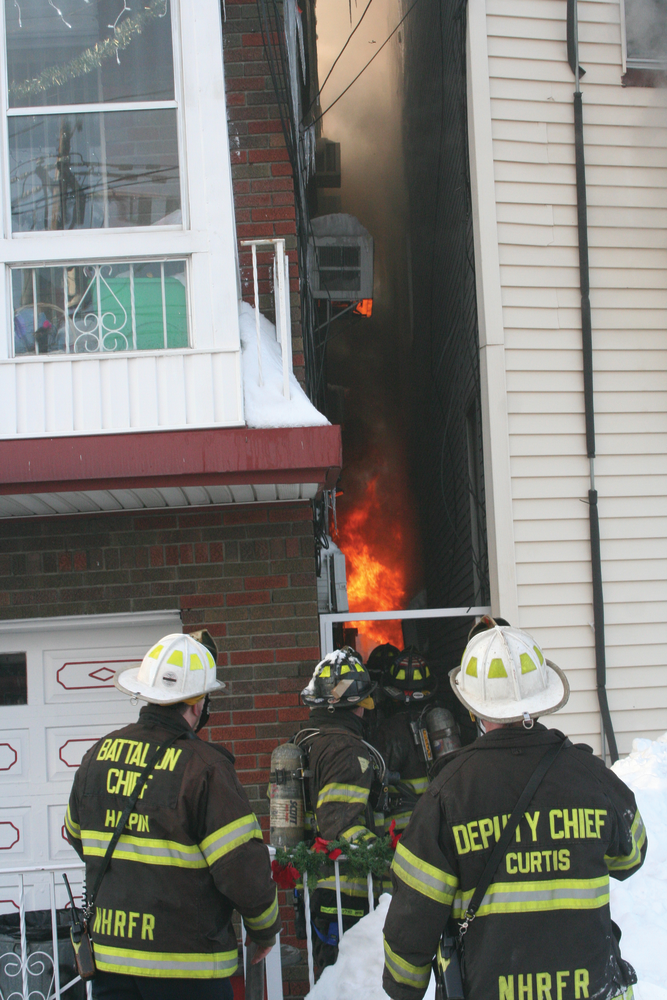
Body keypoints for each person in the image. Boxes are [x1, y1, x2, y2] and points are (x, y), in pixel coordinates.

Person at [383, 622, 646, 1000]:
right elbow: (631, 857)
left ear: (472, 706)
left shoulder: (448, 791)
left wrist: (403, 986)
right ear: (543, 696)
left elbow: (414, 909)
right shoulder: (591, 776)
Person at [65, 631, 280, 1000]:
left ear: (145, 693)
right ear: (198, 704)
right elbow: (241, 866)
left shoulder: (96, 757)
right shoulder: (207, 768)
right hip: (187, 965)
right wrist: (264, 930)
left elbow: (76, 836)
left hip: (111, 961)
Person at [299, 646, 378, 968]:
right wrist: (387, 858)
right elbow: (338, 823)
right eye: (361, 704)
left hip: (319, 886)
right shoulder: (345, 749)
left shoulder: (307, 740)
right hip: (350, 891)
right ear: (349, 707)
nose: (365, 711)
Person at [372, 648, 435, 833]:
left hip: (401, 832)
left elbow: (375, 786)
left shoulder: (386, 732)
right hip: (436, 822)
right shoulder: (441, 723)